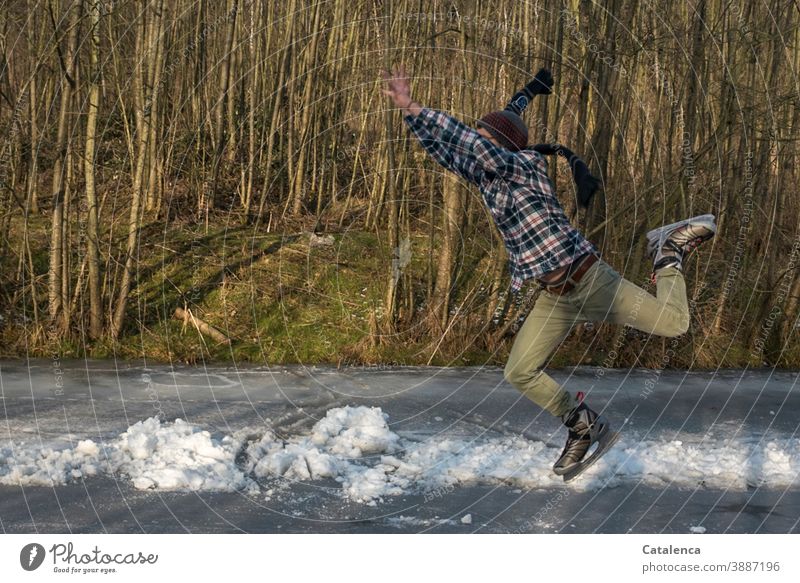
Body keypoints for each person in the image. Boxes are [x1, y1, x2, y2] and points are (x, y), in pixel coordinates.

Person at [381, 66, 716, 479]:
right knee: (518, 371)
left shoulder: (524, 167)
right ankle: (582, 425)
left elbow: (468, 142)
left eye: (483, 137)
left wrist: (417, 103)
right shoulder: (488, 177)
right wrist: (409, 115)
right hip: (554, 298)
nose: (474, 145)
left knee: (675, 323)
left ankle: (667, 249)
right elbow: (448, 152)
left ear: (500, 145)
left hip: (593, 282)